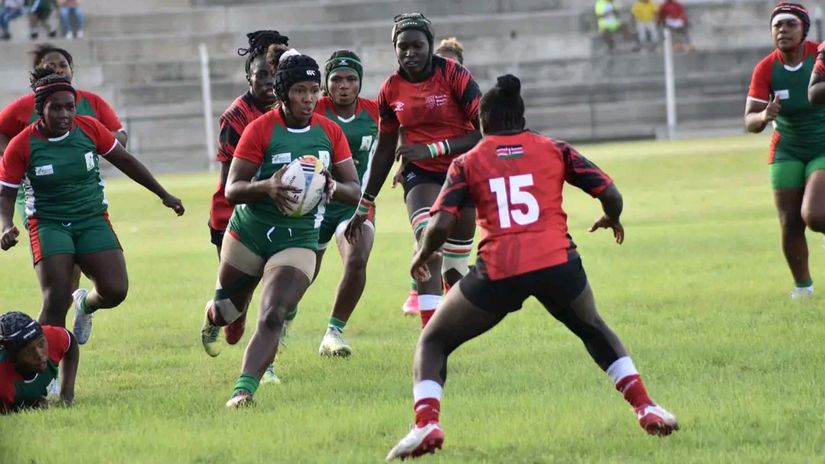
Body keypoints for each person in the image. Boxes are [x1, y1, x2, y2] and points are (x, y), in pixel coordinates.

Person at [385, 75, 679, 460]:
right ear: (521, 119)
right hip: (557, 262)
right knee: (592, 328)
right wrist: (612, 217)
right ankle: (646, 407)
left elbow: (440, 225)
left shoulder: (468, 161)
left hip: (500, 270)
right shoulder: (554, 148)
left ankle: (427, 423)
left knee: (433, 341)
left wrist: (422, 255)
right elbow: (610, 192)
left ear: (482, 122)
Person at [197, 54, 360, 407]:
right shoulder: (260, 129)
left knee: (274, 312)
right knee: (228, 312)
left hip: (298, 239)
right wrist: (267, 187)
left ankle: (243, 392)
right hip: (250, 234)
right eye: (300, 90)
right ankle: (213, 315)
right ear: (284, 92)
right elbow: (232, 189)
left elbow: (354, 189)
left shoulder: (329, 131)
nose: (309, 98)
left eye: (314, 90)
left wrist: (332, 186)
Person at [0, 70, 185, 348]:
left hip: (91, 218)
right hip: (49, 223)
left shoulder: (89, 128)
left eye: (70, 107)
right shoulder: (22, 145)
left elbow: (125, 161)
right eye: (56, 108)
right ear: (40, 110)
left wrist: (164, 194)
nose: (65, 114)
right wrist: (5, 225)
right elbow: (6, 194)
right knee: (56, 299)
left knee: (115, 290)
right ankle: (45, 365)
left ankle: (85, 304)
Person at [346, 13, 482, 329]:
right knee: (428, 245)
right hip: (420, 175)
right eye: (402, 47)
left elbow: (483, 131)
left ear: (430, 45)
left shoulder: (455, 75)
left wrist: (432, 148)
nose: (410, 53)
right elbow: (384, 151)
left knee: (455, 270)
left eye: (417, 46)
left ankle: (449, 326)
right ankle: (430, 340)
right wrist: (365, 203)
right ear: (394, 49)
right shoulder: (390, 90)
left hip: (463, 172)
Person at [0, 44, 128, 317]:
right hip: (37, 196)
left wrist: (92, 141)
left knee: (83, 273)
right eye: (51, 66)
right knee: (62, 279)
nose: (59, 70)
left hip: (81, 191)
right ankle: (59, 313)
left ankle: (78, 302)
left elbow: (120, 137)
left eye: (63, 65)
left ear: (72, 69)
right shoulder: (24, 111)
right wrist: (14, 158)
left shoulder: (90, 104)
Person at [747, 3, 825, 299]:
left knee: (815, 215)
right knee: (789, 221)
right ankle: (803, 288)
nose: (783, 30)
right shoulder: (766, 68)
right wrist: (763, 116)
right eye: (777, 25)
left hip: (822, 144)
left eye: (790, 24)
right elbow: (749, 120)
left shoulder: (820, 56)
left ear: (804, 29)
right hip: (787, 148)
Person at [313, 50, 379, 357]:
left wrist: (405, 165)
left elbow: (398, 138)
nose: (344, 85)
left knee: (357, 259)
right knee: (301, 275)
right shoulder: (313, 109)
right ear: (326, 83)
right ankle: (281, 324)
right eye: (337, 79)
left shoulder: (375, 112)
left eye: (351, 79)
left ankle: (333, 332)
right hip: (312, 205)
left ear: (360, 82)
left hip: (355, 205)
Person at [399, 36, 468, 317]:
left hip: (459, 172)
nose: (447, 67)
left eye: (453, 64)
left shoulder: (467, 95)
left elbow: (479, 133)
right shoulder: (421, 93)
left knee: (454, 253)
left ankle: (452, 298)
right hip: (425, 172)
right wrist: (403, 162)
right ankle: (419, 292)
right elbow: (404, 125)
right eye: (442, 61)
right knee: (427, 231)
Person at [0, 311, 78, 413]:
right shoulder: (3, 383)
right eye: (28, 351)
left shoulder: (52, 337)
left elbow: (71, 343)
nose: (40, 355)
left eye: (41, 344)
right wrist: (27, 404)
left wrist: (67, 395)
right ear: (13, 356)